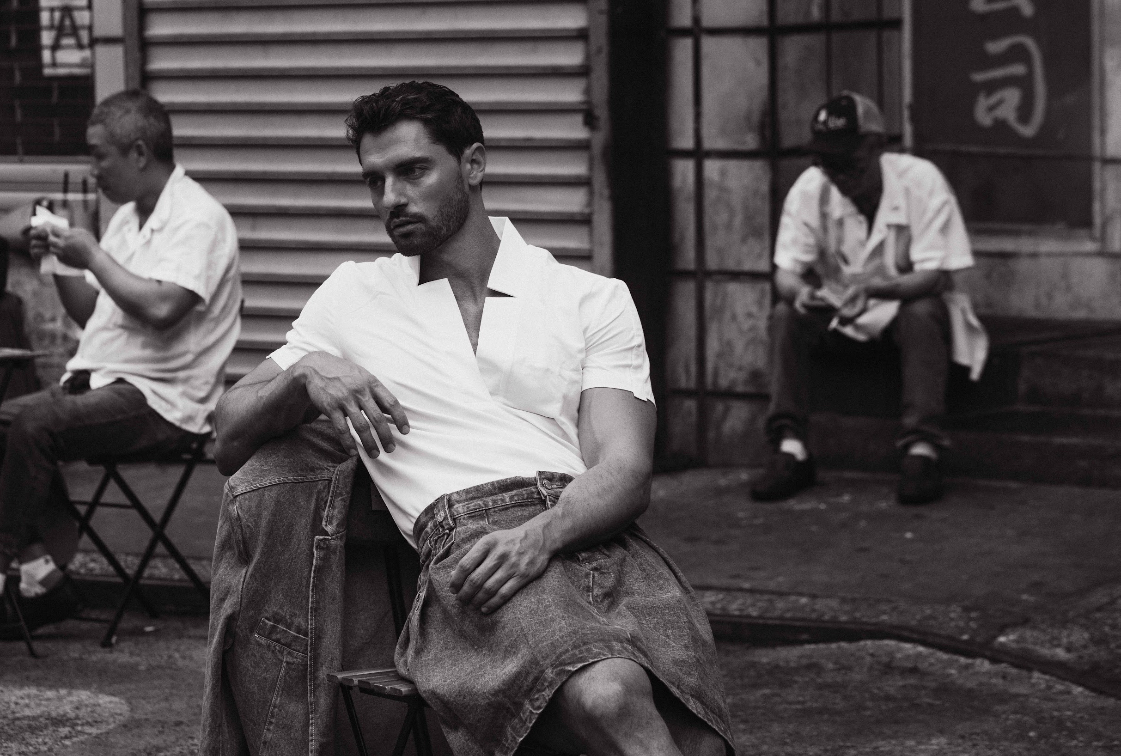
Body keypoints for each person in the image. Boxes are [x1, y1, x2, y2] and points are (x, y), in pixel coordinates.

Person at [212, 81, 734, 756]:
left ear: (474, 165)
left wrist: (541, 536)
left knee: (697, 738)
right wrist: (306, 373)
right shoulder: (354, 294)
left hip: (597, 539)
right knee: (610, 699)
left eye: (413, 171)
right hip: (474, 550)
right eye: (374, 181)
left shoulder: (590, 298)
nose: (391, 197)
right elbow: (227, 433)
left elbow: (627, 471)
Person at [0, 89, 241, 634]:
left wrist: (93, 255)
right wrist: (62, 262)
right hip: (96, 382)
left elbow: (162, 309)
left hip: (162, 399)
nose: (92, 169)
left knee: (36, 426)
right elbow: (92, 313)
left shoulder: (199, 219)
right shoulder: (128, 218)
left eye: (99, 154)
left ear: (138, 152)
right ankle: (44, 578)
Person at [754, 91, 978, 506]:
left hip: (902, 307)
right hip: (842, 313)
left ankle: (922, 448)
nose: (839, 176)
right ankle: (790, 447)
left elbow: (935, 274)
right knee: (785, 315)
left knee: (923, 313)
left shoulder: (921, 181)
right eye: (828, 163)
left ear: (876, 147)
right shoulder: (813, 188)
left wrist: (875, 289)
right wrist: (804, 293)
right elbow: (785, 272)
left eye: (849, 162)